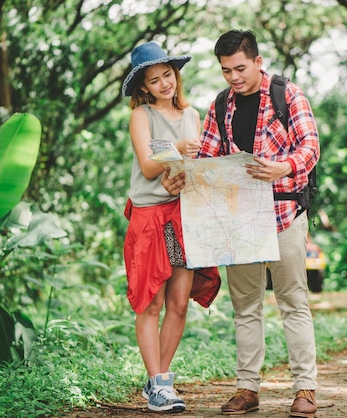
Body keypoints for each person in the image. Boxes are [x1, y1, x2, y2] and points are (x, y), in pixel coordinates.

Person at [202, 29, 320, 417]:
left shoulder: (289, 95)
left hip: (286, 215)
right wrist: (183, 173)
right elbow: (206, 159)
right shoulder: (220, 106)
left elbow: (310, 147)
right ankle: (247, 388)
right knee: (246, 308)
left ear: (257, 61)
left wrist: (283, 166)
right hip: (240, 222)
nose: (234, 77)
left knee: (293, 302)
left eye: (240, 68)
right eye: (225, 71)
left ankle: (305, 389)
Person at [121, 41, 220, 413]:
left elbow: (193, 167)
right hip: (149, 216)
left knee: (179, 302)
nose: (164, 84)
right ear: (143, 86)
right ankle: (159, 383)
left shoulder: (193, 114)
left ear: (176, 75)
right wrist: (177, 148)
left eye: (168, 76)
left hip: (182, 216)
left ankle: (159, 383)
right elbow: (148, 167)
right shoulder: (142, 116)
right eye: (154, 80)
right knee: (151, 302)